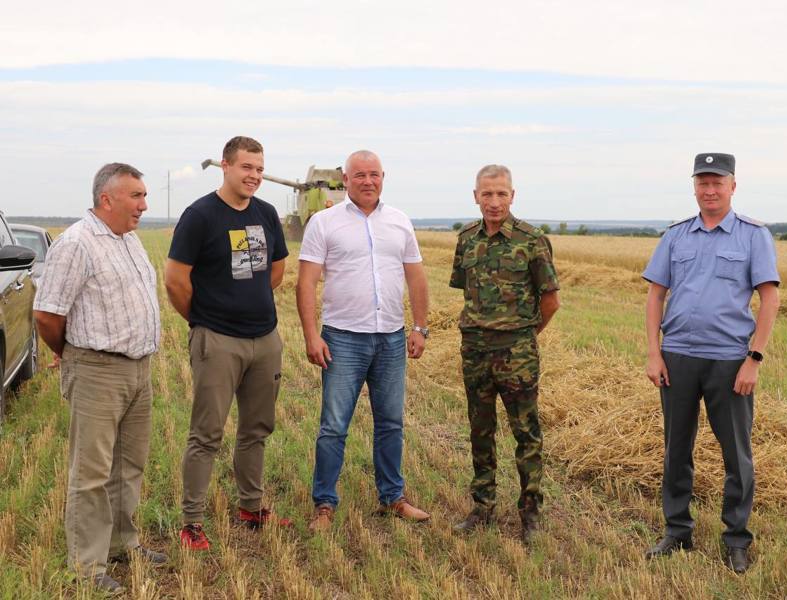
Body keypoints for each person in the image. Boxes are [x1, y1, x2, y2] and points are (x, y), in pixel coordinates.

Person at [642, 153, 780, 573]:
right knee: (675, 448)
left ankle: (736, 538)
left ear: (733, 186)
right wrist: (653, 351)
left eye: (717, 182)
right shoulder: (676, 236)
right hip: (678, 357)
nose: (710, 189)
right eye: (703, 182)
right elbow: (655, 295)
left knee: (737, 454)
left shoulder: (754, 236)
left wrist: (753, 359)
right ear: (694, 187)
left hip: (729, 362)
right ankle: (677, 531)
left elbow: (770, 299)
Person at [33, 163, 164, 594]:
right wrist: (70, 355)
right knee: (90, 472)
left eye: (144, 196)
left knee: (128, 466)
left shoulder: (128, 241)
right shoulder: (77, 244)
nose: (144, 205)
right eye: (137, 197)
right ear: (106, 199)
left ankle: (122, 544)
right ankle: (87, 566)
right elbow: (48, 315)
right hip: (97, 371)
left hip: (138, 370)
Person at [165, 136, 290, 551]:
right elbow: (176, 280)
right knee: (207, 434)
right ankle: (192, 523)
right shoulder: (200, 215)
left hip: (264, 339)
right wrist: (205, 321)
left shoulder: (267, 214)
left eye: (259, 168)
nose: (254, 176)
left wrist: (248, 306)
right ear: (225, 166)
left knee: (256, 430)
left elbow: (275, 271)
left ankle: (251, 507)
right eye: (246, 167)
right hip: (217, 340)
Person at [297, 149, 430, 532]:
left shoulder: (399, 222)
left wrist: (419, 328)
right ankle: (324, 504)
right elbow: (306, 282)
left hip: (390, 338)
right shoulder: (324, 222)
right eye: (359, 175)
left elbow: (416, 277)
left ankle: (393, 498)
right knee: (334, 426)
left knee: (390, 423)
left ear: (383, 176)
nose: (367, 181)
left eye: (374, 174)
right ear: (345, 178)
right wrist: (311, 335)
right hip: (342, 339)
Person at [449, 164, 560, 544]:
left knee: (526, 433)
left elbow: (550, 301)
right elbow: (465, 290)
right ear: (475, 196)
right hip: (475, 352)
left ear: (512, 196)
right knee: (480, 431)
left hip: (517, 353)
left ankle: (530, 513)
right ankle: (482, 507)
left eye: (501, 194)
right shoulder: (466, 239)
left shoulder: (532, 240)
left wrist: (525, 335)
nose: (494, 201)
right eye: (487, 194)